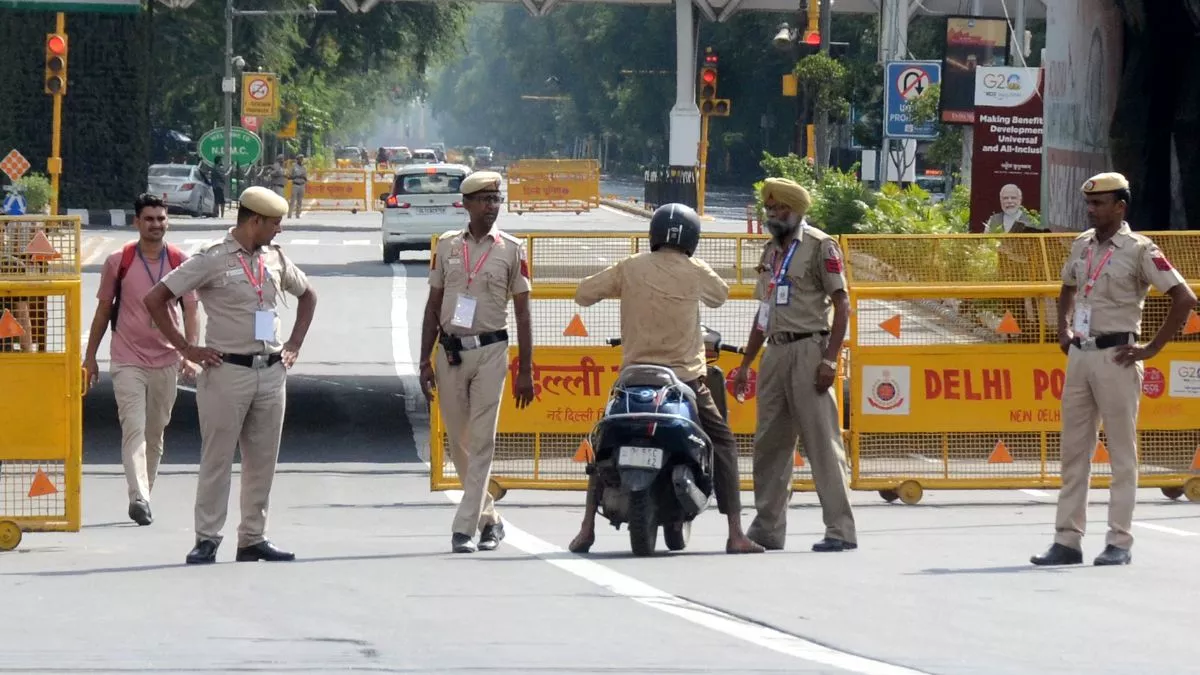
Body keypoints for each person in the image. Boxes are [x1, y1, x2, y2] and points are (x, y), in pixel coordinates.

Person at [567, 204, 765, 555]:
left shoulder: (630, 267)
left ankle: (586, 529)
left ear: (653, 234)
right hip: (686, 382)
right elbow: (720, 296)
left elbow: (583, 293)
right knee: (723, 443)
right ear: (692, 239)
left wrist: (625, 288)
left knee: (601, 443)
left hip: (633, 379)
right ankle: (735, 533)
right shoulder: (693, 269)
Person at [143, 186, 318, 565]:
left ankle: (253, 537)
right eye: (274, 223)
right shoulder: (211, 259)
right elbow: (157, 298)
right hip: (226, 372)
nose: (279, 231)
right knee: (217, 458)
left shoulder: (274, 258)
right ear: (254, 221)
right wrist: (186, 348)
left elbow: (308, 295)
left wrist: (294, 344)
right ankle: (207, 537)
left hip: (270, 370)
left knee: (263, 460)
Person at [1031, 172, 1195, 567]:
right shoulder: (1082, 244)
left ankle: (1119, 540)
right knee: (1073, 452)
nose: (1091, 209)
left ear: (1120, 206)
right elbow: (1068, 286)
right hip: (1081, 355)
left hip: (1117, 355)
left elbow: (1184, 298)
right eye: (1089, 203)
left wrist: (1152, 348)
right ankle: (1067, 541)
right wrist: (1064, 328)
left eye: (1099, 203)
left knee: (1122, 453)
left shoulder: (1140, 249)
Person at [732, 177, 857, 552]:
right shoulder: (770, 252)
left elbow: (842, 305)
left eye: (780, 209)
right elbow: (763, 313)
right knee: (769, 444)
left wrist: (830, 360)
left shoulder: (820, 246)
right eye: (769, 210)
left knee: (821, 443)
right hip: (775, 352)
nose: (774, 215)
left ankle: (840, 530)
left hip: (809, 350)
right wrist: (746, 363)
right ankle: (768, 528)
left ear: (797, 210)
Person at [418, 171, 535, 554]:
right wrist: (424, 360)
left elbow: (523, 313)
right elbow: (433, 306)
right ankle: (490, 520)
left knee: (482, 440)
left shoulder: (513, 249)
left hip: (492, 351)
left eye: (496, 199)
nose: (491, 206)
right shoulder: (448, 247)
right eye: (484, 199)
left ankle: (463, 527)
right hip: (450, 352)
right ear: (466, 204)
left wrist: (526, 370)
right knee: (459, 442)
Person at [83, 193, 200, 526]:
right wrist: (90, 357)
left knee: (155, 432)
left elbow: (191, 309)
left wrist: (190, 351)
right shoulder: (119, 260)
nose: (156, 225)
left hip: (166, 358)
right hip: (127, 358)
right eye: (149, 219)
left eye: (161, 219)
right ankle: (140, 497)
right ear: (137, 222)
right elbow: (104, 310)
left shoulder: (181, 260)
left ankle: (143, 491)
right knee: (132, 429)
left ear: (168, 222)